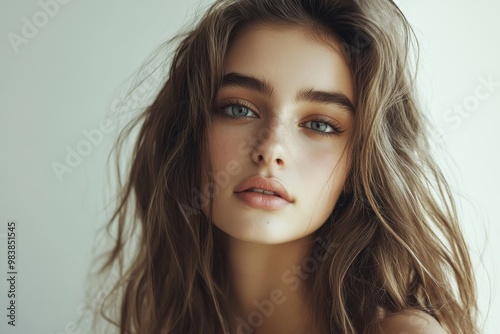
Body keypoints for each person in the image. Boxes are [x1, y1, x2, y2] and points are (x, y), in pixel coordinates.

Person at [90, 0, 478, 333]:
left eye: (320, 124)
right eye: (239, 109)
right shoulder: (161, 321)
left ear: (359, 165)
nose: (271, 148)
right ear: (188, 133)